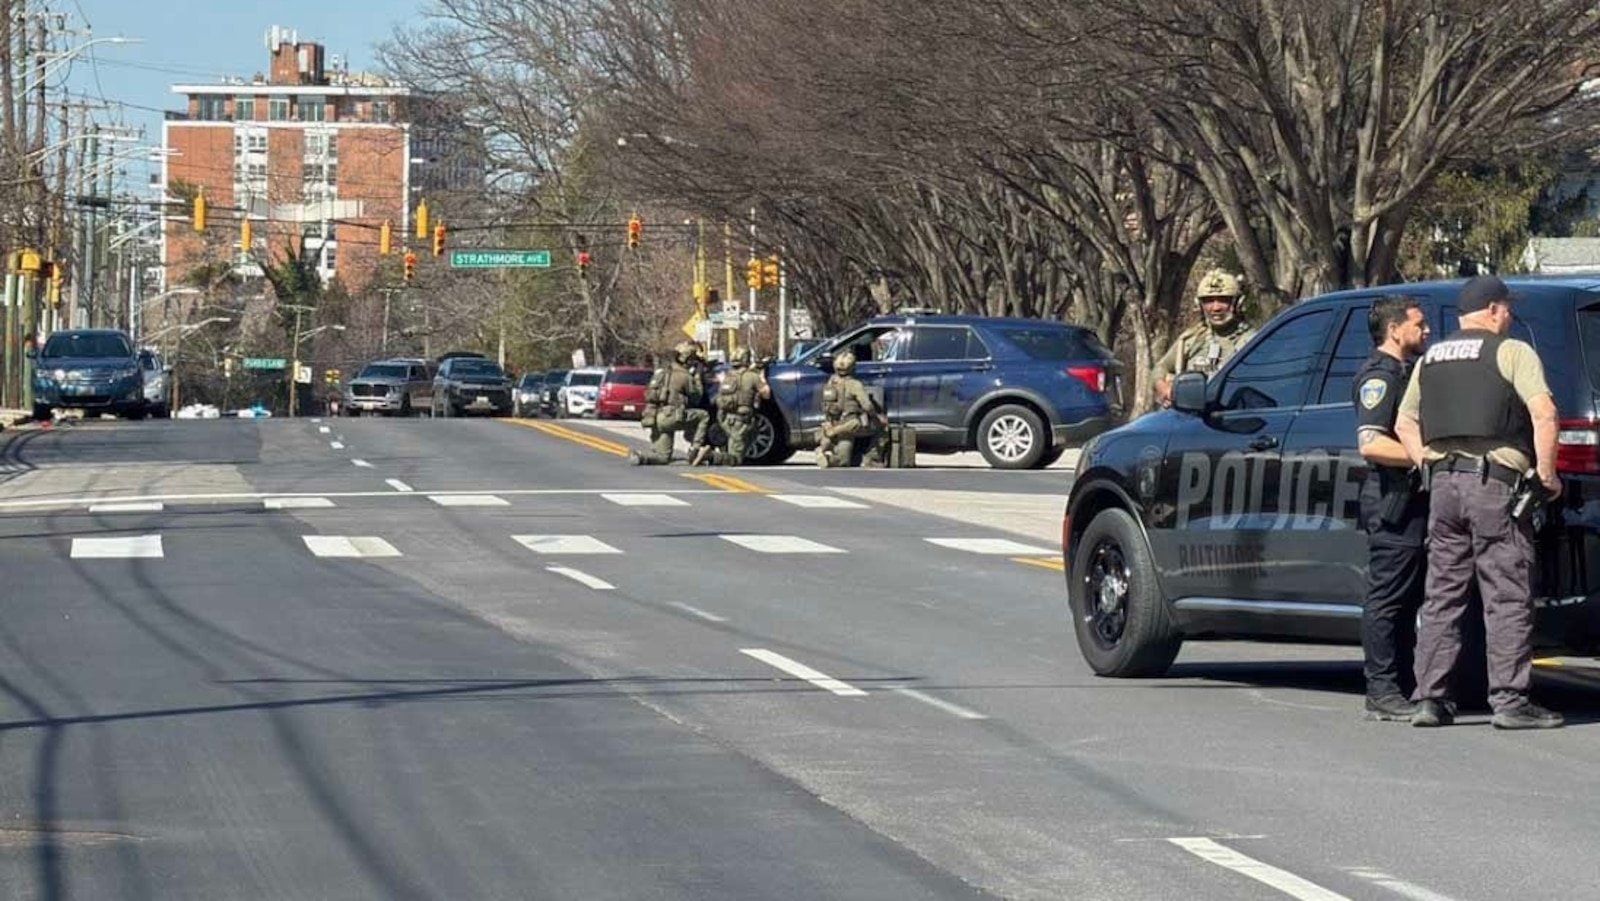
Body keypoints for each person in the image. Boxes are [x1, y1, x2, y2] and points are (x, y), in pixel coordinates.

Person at [1394, 275, 1564, 730]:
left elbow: (1405, 422)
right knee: (1507, 594)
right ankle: (1510, 702)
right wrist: (1546, 476)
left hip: (1444, 487)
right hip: (1495, 486)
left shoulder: (1430, 358)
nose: (1510, 315)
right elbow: (1544, 413)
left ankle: (1430, 698)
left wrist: (1426, 462)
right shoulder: (1512, 351)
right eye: (1507, 307)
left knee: (1441, 596)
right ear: (1492, 309)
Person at [1352, 296, 1431, 721]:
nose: (1427, 330)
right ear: (1394, 329)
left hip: (1415, 501)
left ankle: (1403, 684)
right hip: (1392, 502)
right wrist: (1427, 457)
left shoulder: (1408, 371)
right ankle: (1381, 690)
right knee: (1386, 598)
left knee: (1409, 599)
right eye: (1418, 324)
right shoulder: (1379, 376)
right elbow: (1372, 442)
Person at [1152, 269, 1257, 407]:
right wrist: (1164, 388)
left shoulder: (1252, 342)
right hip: (1190, 420)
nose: (1216, 307)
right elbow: (1160, 367)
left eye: (1223, 300)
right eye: (1208, 301)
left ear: (1238, 303)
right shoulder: (1191, 340)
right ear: (1199, 305)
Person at [630, 342, 711, 465]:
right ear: (688, 359)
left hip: (655, 418)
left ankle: (642, 458)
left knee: (663, 457)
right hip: (672, 417)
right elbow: (696, 397)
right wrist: (698, 377)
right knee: (703, 416)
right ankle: (694, 450)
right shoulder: (684, 376)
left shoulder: (661, 373)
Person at [816, 351, 888, 468]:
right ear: (852, 367)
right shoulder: (854, 384)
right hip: (850, 425)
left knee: (844, 460)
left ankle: (826, 454)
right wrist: (877, 416)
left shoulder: (830, 383)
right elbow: (867, 406)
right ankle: (872, 458)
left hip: (833, 423)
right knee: (883, 427)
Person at [713, 348, 770, 466]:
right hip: (741, 421)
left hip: (725, 419)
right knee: (735, 460)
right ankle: (711, 456)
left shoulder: (727, 376)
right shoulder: (752, 376)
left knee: (752, 432)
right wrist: (762, 377)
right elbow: (766, 395)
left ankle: (724, 452)